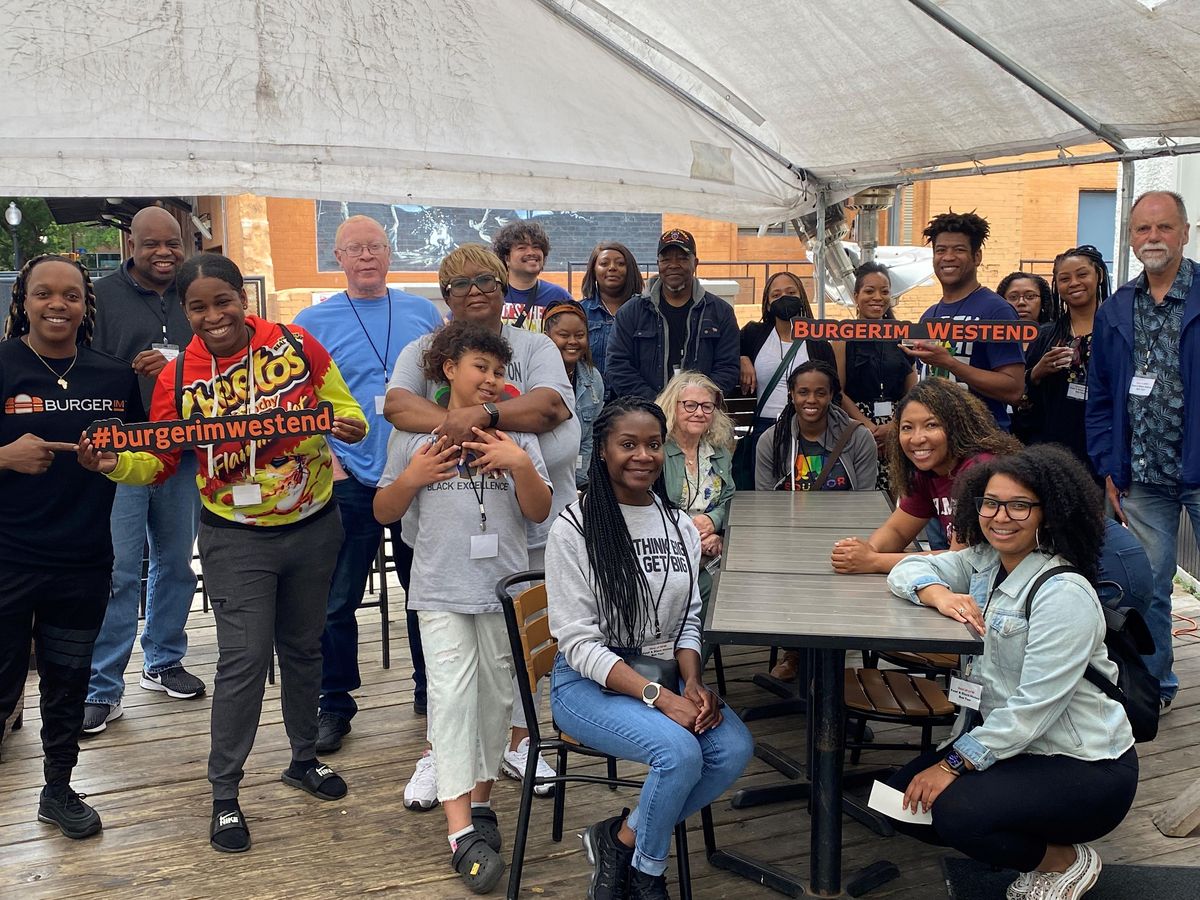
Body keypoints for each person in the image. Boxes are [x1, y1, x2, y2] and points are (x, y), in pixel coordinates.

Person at [79, 253, 367, 854]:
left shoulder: (296, 343)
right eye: (198, 307)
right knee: (242, 661)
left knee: (304, 649)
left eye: (223, 301)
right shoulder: (178, 378)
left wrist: (346, 425)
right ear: (184, 313)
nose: (214, 316)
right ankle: (225, 794)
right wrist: (114, 464)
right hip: (233, 536)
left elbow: (346, 409)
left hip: (314, 524)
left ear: (244, 297)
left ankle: (302, 758)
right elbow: (158, 460)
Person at [887, 445, 1137, 900]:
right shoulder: (983, 563)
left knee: (954, 812)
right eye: (990, 502)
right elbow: (908, 569)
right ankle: (1030, 834)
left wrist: (953, 763)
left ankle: (1063, 861)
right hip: (1013, 750)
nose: (1001, 516)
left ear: (1050, 512)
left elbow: (1032, 709)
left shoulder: (1063, 592)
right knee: (895, 801)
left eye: (1020, 505)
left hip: (1084, 765)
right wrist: (938, 594)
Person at [385, 244, 579, 808]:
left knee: (515, 648)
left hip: (528, 523)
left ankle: (518, 741)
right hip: (443, 530)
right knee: (447, 658)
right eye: (459, 283)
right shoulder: (423, 350)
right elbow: (397, 407)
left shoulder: (535, 344)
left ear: (504, 286)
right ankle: (440, 753)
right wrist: (460, 422)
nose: (474, 291)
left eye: (486, 281)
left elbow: (548, 409)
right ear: (444, 297)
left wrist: (486, 414)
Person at [546, 397, 754, 900]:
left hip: (662, 672)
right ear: (601, 451)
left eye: (654, 445)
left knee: (732, 749)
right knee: (679, 753)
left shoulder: (678, 523)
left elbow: (688, 619)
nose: (643, 455)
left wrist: (693, 683)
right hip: (587, 683)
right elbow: (578, 643)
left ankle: (620, 839)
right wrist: (662, 699)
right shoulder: (574, 530)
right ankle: (648, 873)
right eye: (628, 444)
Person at [375, 320, 552, 895]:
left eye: (501, 373)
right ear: (449, 369)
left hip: (502, 591)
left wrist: (520, 464)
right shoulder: (414, 439)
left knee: (497, 700)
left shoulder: (516, 438)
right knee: (451, 697)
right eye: (481, 368)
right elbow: (383, 510)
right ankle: (459, 834)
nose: (492, 380)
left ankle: (480, 803)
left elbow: (539, 512)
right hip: (440, 590)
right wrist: (413, 476)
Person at [0, 255, 142, 839]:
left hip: (83, 558)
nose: (57, 304)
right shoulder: (3, 364)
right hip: (7, 557)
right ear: (23, 302)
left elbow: (148, 456)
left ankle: (57, 789)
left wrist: (116, 462)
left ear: (87, 305)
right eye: (43, 294)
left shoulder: (112, 377)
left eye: (71, 295)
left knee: (68, 680)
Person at [292, 214, 443, 751]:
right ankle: (335, 703)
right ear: (339, 257)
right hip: (348, 472)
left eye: (375, 246)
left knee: (424, 591)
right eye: (354, 248)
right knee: (336, 599)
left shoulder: (423, 312)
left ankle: (433, 692)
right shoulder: (312, 320)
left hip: (416, 469)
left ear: (389, 252)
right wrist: (328, 459)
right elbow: (299, 401)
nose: (366, 256)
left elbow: (443, 387)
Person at [84, 206, 202, 735]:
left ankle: (164, 660)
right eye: (152, 242)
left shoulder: (195, 293)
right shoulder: (101, 297)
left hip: (183, 449)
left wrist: (176, 364)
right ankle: (103, 687)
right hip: (123, 449)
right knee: (119, 571)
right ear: (130, 241)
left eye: (172, 243)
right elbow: (82, 368)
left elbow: (219, 358)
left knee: (176, 563)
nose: (164, 253)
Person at [1088, 190, 1200, 715]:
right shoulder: (1116, 310)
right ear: (1131, 239)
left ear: (1184, 232)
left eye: (1163, 228)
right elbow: (1101, 398)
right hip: (1142, 476)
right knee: (1150, 588)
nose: (1152, 238)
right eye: (1142, 230)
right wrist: (1109, 466)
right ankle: (1155, 689)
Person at [830, 378, 1021, 575]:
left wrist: (874, 561)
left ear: (956, 425)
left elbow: (959, 560)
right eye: (907, 428)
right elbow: (898, 531)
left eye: (931, 425)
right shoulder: (927, 471)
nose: (917, 438)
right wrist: (863, 550)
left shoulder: (981, 469)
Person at [903, 212, 1025, 431]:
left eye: (959, 250)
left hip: (982, 444)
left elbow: (1014, 389)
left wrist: (951, 363)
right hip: (937, 444)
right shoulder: (929, 315)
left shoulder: (997, 310)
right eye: (941, 250)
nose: (948, 257)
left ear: (977, 257)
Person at [606, 229, 740, 400]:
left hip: (700, 415)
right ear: (658, 264)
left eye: (682, 258)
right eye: (666, 259)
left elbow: (727, 367)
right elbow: (617, 366)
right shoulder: (631, 312)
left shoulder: (720, 312)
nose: (673, 265)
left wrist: (694, 402)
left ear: (695, 263)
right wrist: (657, 404)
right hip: (645, 416)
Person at [656, 372, 735, 632]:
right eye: (690, 405)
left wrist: (715, 525)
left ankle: (690, 667)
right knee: (701, 597)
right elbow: (650, 506)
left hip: (708, 554)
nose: (699, 412)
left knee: (724, 591)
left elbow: (730, 499)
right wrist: (689, 534)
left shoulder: (718, 451)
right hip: (668, 552)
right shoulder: (658, 451)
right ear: (672, 406)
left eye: (707, 406)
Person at [737, 271, 837, 470]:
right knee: (764, 493)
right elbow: (726, 348)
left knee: (805, 491)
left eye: (791, 292)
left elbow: (835, 391)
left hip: (808, 428)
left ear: (801, 297)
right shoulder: (753, 334)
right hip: (765, 428)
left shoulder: (819, 343)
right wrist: (742, 358)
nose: (783, 298)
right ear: (767, 303)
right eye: (776, 295)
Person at [1021, 246, 1110, 469]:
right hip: (1054, 449)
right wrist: (1036, 373)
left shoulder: (1116, 330)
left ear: (1098, 275)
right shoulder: (1046, 335)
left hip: (1104, 445)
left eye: (1082, 275)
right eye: (1064, 278)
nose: (1074, 283)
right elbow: (1021, 394)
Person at [835, 262, 918, 493]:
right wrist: (868, 426)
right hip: (856, 425)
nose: (877, 297)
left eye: (884, 291)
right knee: (862, 491)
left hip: (898, 423)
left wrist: (895, 425)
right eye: (869, 291)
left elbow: (913, 389)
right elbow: (838, 391)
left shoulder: (902, 334)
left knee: (897, 493)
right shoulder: (843, 337)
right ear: (856, 296)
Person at [755, 361, 878, 492]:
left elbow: (865, 498)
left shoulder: (859, 437)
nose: (811, 400)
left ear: (831, 395)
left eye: (820, 393)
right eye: (803, 392)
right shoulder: (771, 440)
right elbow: (765, 501)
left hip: (845, 512)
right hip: (787, 513)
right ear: (791, 394)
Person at [543, 301, 604, 488]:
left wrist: (581, 484)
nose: (572, 342)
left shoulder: (593, 379)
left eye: (580, 335)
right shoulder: (534, 375)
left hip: (577, 481)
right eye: (563, 335)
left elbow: (589, 439)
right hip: (539, 478)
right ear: (546, 337)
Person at [492, 220, 573, 333]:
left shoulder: (560, 297)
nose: (531, 252)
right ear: (507, 258)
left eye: (536, 247)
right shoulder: (491, 294)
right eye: (522, 247)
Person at [579, 242, 644, 379]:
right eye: (604, 263)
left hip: (632, 397)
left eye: (620, 264)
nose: (612, 268)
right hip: (591, 397)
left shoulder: (645, 311)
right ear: (593, 270)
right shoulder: (579, 312)